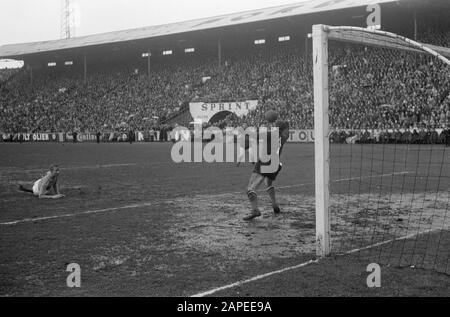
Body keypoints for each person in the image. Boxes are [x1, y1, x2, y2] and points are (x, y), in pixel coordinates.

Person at [244, 121, 290, 221]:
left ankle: (255, 210)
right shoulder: (284, 137)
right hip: (275, 164)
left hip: (266, 162)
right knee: (268, 182)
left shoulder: (269, 135)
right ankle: (275, 205)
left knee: (250, 188)